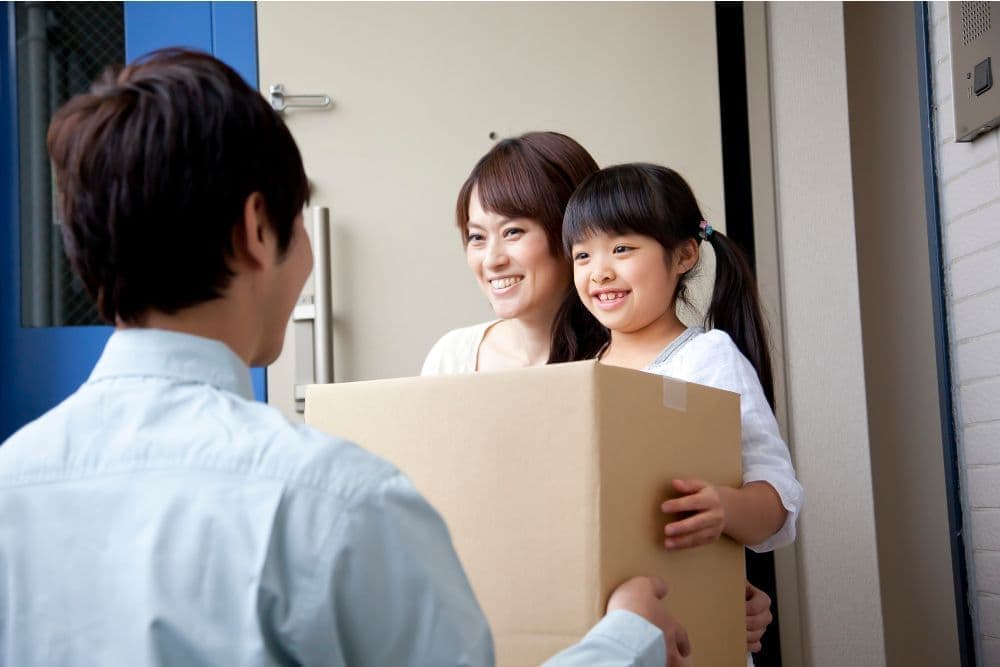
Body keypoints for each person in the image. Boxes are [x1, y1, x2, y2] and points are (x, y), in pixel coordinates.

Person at [0, 50, 689, 666]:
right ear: (256, 231)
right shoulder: (338, 501)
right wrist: (628, 636)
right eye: (302, 221)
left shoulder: (12, 486)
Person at [423, 132, 775, 657]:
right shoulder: (453, 358)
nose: (492, 258)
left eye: (514, 231)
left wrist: (718, 591)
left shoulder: (644, 360)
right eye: (476, 237)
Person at [564, 162, 803, 553]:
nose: (599, 272)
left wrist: (725, 506)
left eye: (621, 248)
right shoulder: (581, 372)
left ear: (684, 256)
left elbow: (778, 496)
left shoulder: (707, 357)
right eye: (582, 255)